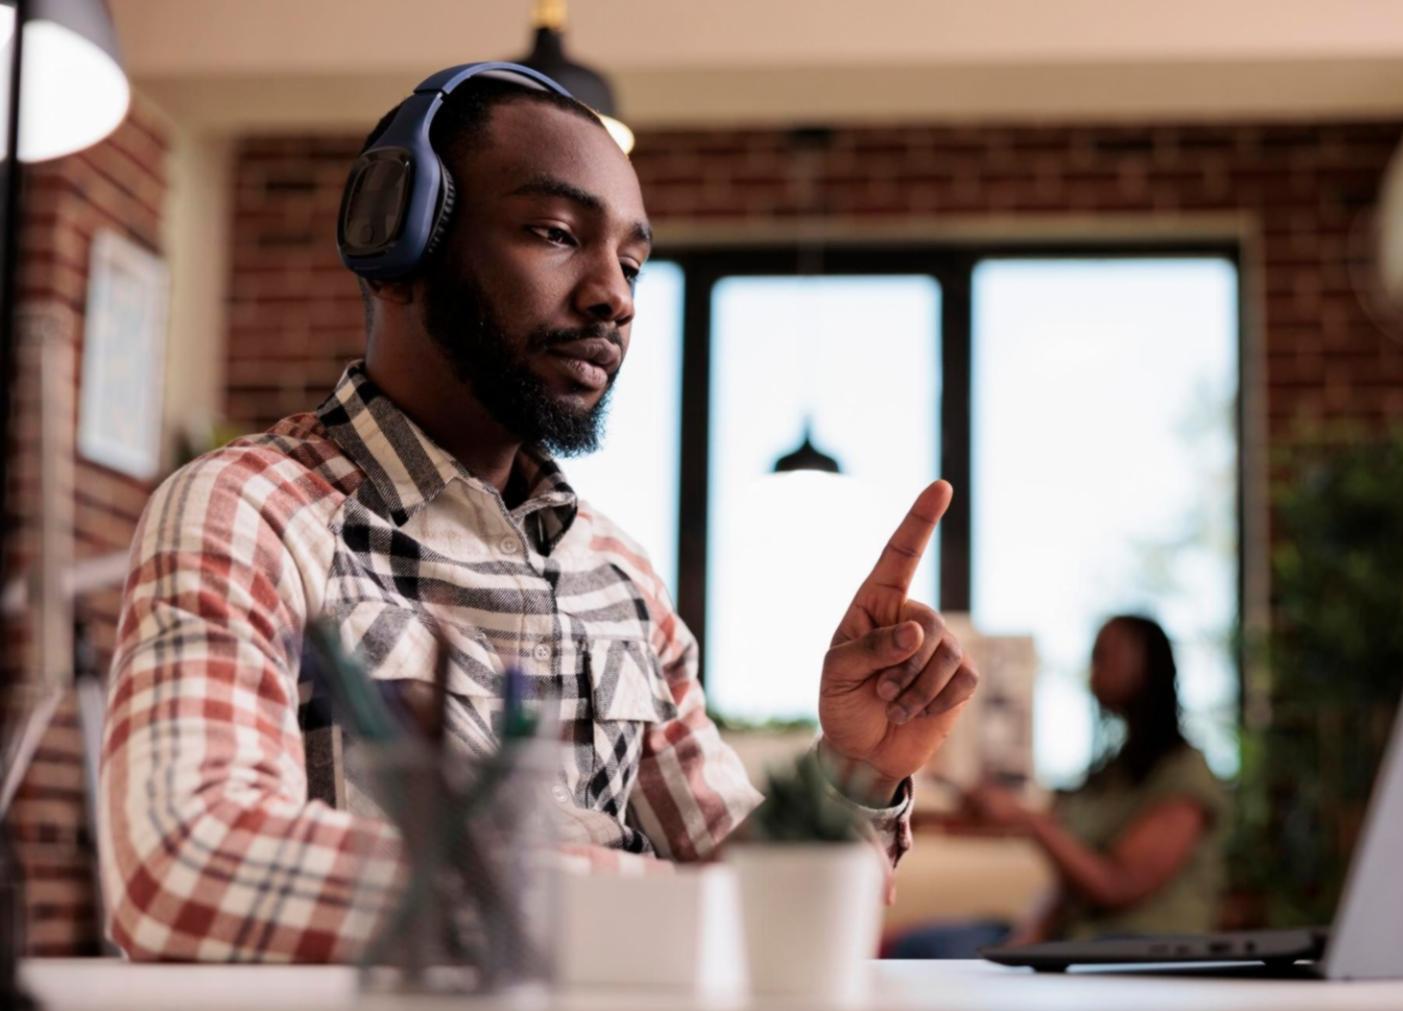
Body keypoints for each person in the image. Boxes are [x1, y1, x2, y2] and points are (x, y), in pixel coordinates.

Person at [99, 65, 978, 962]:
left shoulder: (621, 575)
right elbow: (185, 865)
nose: (617, 296)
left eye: (632, 263)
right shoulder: (251, 511)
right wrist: (658, 905)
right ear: (400, 249)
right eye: (556, 233)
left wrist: (860, 775)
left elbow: (778, 926)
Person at [890, 615, 1226, 958]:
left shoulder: (1185, 774)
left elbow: (1116, 885)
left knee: (953, 955)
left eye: (1107, 654)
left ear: (1149, 665)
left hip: (1140, 947)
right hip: (1076, 936)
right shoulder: (1110, 773)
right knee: (921, 944)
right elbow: (1066, 882)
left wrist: (1030, 823)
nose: (1095, 667)